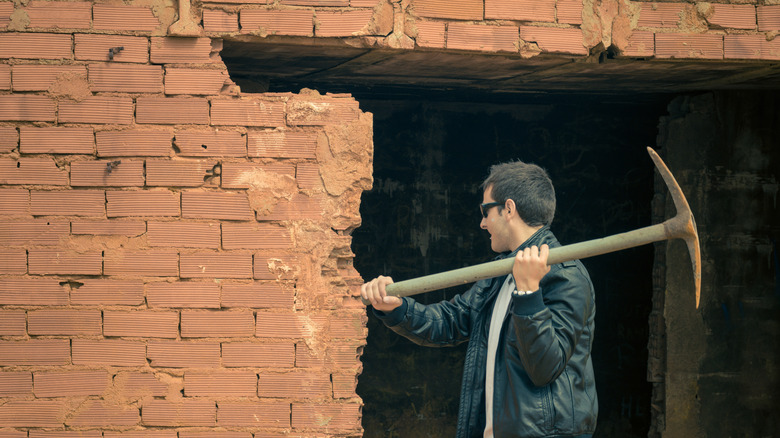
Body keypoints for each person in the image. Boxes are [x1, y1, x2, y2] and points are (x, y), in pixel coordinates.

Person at [361, 160, 598, 438]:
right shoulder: (500, 273)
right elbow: (451, 321)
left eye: (486, 211)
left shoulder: (567, 276)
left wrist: (529, 293)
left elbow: (545, 368)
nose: (483, 223)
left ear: (509, 209)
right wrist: (398, 308)